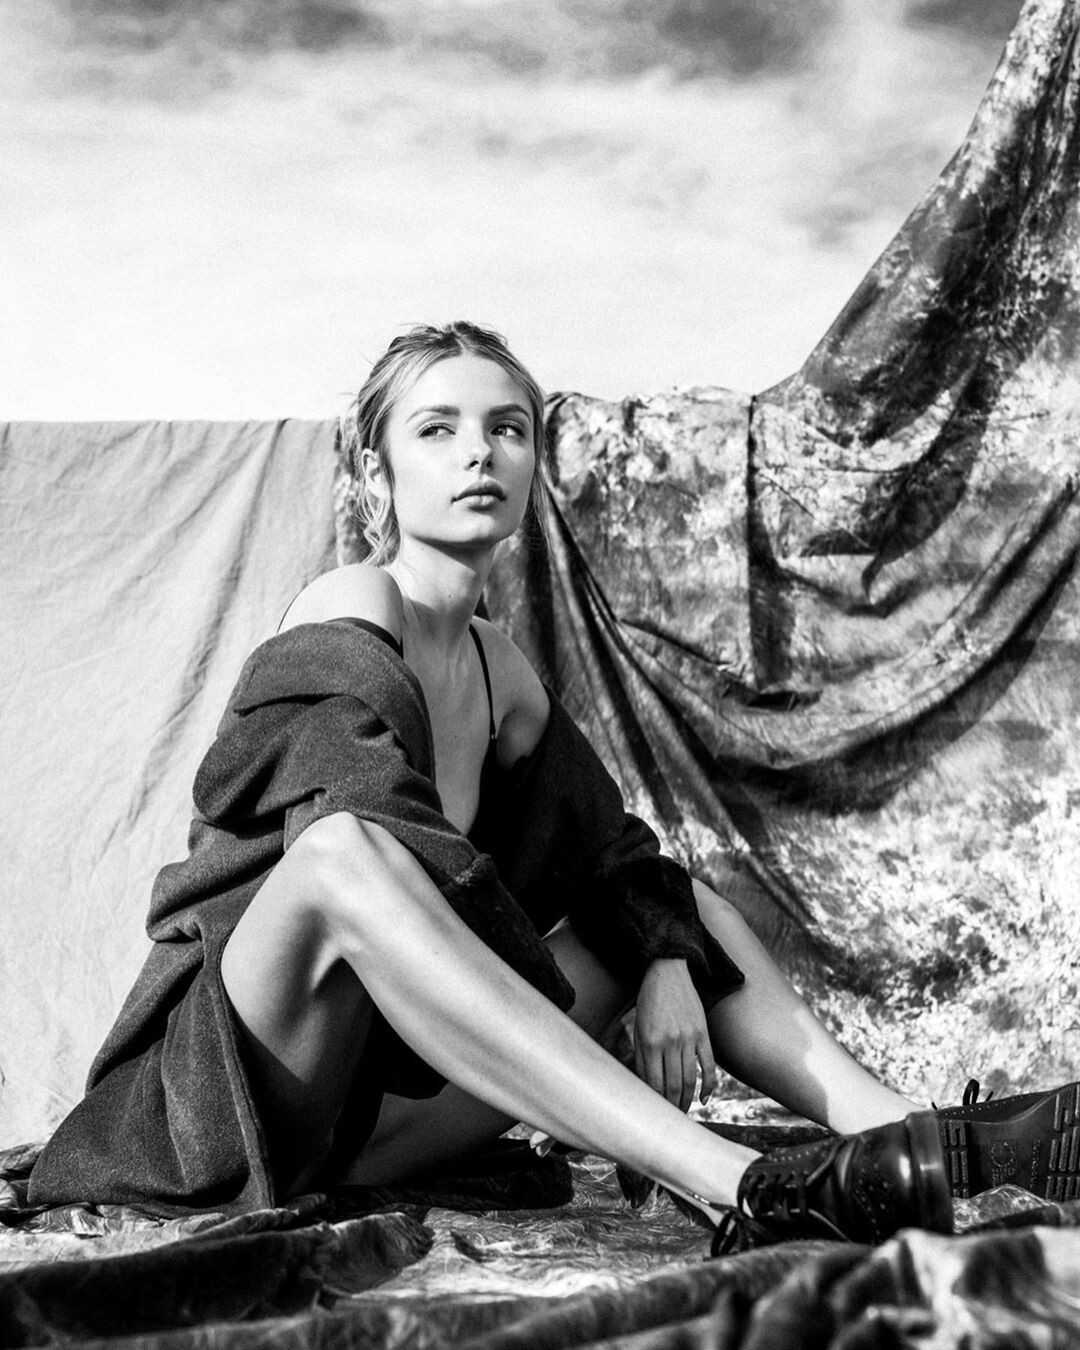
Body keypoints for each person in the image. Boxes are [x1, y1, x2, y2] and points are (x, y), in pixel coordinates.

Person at [27, 322, 1077, 1247]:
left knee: (676, 905)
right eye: (437, 429)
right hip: (235, 1105)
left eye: (508, 429)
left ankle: (916, 1139)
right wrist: (612, 948)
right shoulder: (351, 604)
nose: (478, 451)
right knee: (344, 853)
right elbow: (352, 821)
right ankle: (741, 1189)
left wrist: (660, 956)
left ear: (532, 466)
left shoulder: (501, 672)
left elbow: (621, 858)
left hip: (374, 1127)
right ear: (378, 475)